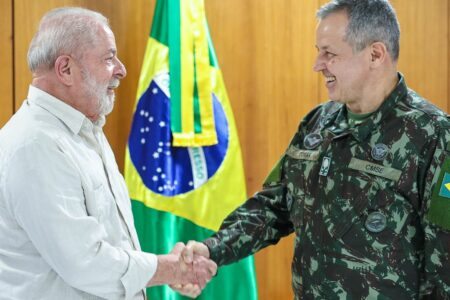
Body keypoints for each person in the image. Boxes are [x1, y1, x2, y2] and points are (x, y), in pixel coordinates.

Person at [177, 0, 450, 299]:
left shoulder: (434, 134)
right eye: (318, 51)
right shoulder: (317, 123)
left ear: (375, 54)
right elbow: (275, 204)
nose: (317, 64)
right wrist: (212, 250)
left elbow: (445, 263)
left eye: (329, 53)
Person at [0, 7, 215, 300]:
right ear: (65, 69)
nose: (121, 69)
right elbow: (85, 262)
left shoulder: (84, 130)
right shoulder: (35, 146)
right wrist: (168, 269)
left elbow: (114, 243)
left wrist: (162, 271)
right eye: (109, 58)